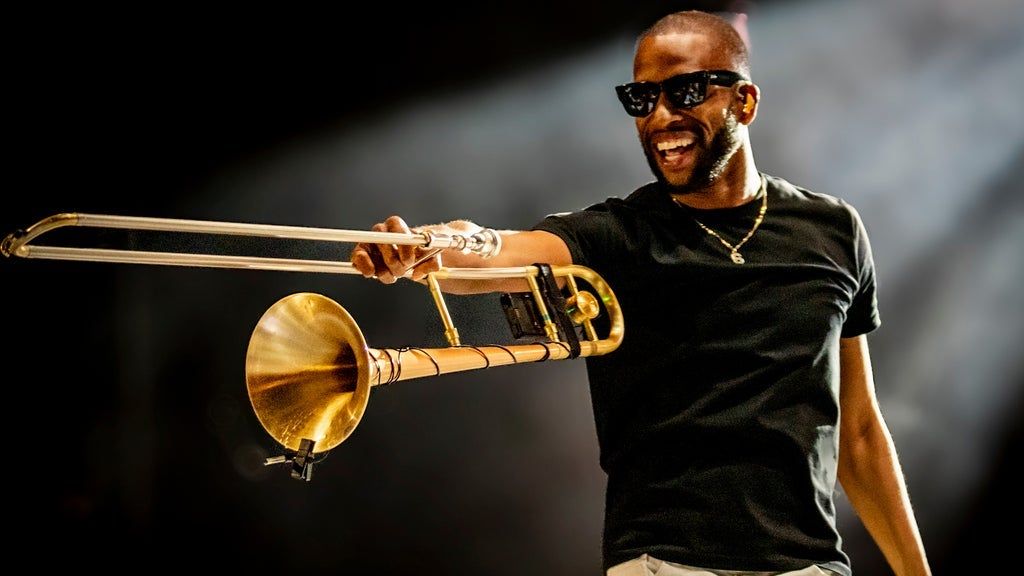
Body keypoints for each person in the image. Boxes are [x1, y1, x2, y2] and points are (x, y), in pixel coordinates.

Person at [351, 10, 931, 576]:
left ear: (745, 102)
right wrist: (424, 250)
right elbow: (496, 250)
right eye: (641, 98)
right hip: (663, 564)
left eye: (685, 92)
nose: (660, 117)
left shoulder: (833, 229)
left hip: (810, 566)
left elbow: (858, 431)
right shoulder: (617, 233)